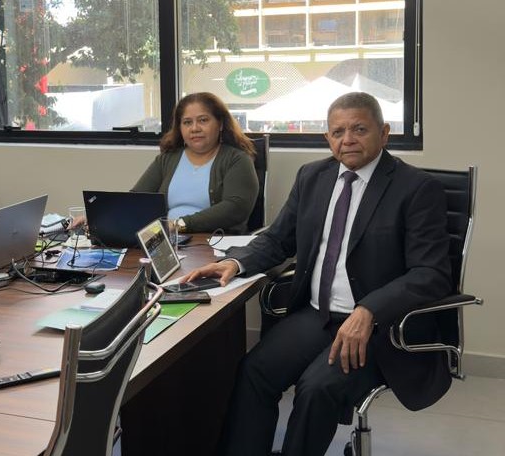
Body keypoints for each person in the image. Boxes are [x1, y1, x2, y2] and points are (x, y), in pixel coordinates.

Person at [181, 92, 453, 456]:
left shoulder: (416, 188)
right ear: (327, 138)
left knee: (315, 389)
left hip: (378, 327)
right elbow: (278, 239)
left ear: (384, 133)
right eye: (338, 132)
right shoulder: (312, 176)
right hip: (317, 315)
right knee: (253, 372)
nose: (348, 139)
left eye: (359, 129)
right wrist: (237, 263)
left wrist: (369, 310)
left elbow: (431, 273)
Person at [132, 92, 258, 234]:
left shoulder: (237, 159)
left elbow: (236, 208)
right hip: (169, 239)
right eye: (187, 122)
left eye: (203, 120)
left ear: (220, 124)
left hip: (215, 241)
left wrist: (180, 224)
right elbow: (135, 200)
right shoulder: (167, 159)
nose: (194, 128)